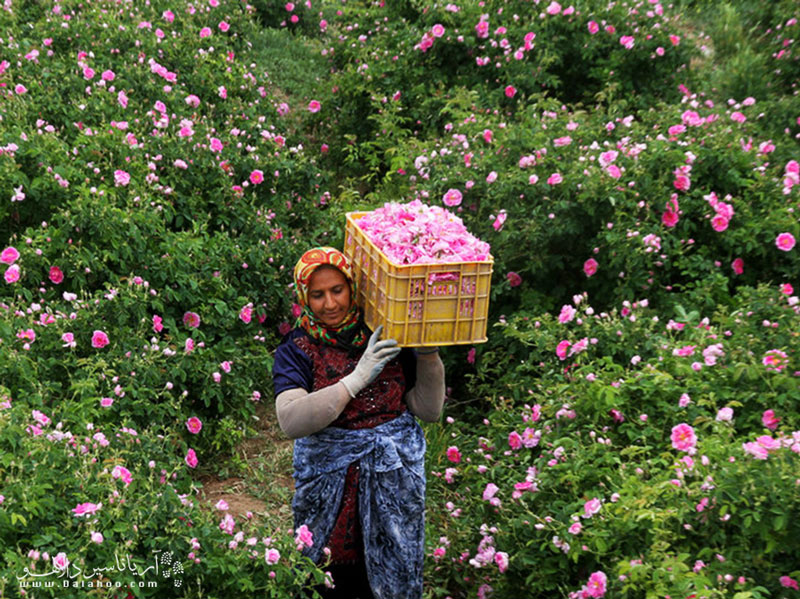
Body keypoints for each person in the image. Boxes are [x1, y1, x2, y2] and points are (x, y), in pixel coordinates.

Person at [272, 247, 446, 599]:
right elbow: (290, 420)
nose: (330, 303)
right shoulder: (297, 348)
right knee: (329, 574)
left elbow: (427, 410)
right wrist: (356, 378)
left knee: (389, 573)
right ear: (304, 296)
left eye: (337, 290)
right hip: (330, 488)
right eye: (317, 295)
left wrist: (428, 352)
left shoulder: (384, 334)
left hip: (392, 482)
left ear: (353, 288)